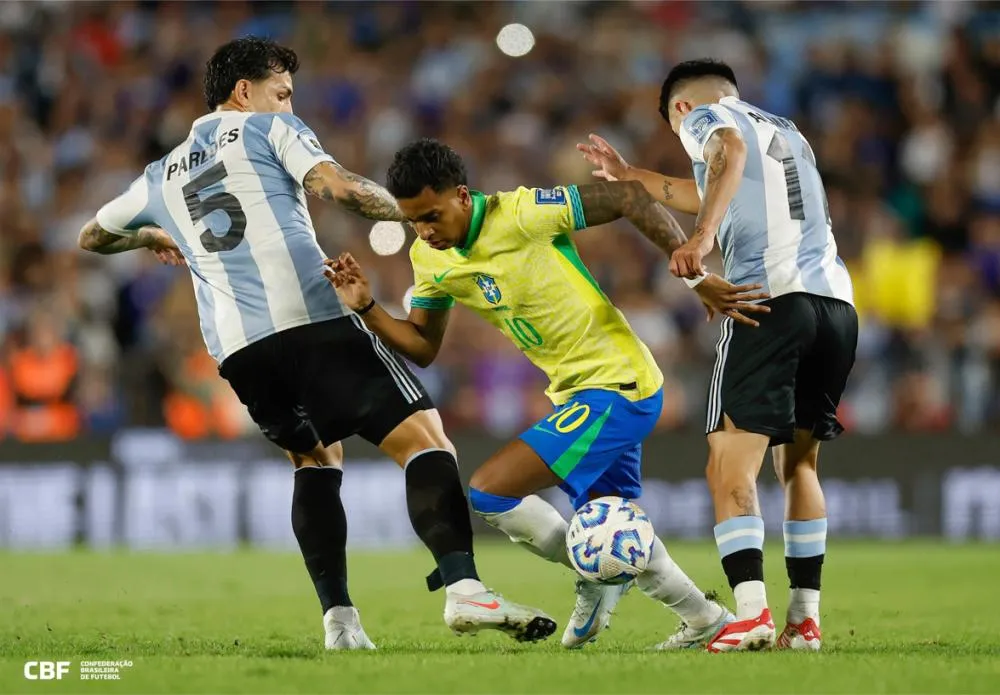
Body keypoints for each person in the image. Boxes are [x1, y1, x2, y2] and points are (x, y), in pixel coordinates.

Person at [77, 37, 555, 650]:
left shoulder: (158, 176)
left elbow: (92, 236)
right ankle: (464, 589)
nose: (288, 104)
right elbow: (340, 188)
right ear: (244, 92)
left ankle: (340, 622)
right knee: (425, 440)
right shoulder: (268, 129)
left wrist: (150, 237)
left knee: (315, 459)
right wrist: (425, 214)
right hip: (311, 317)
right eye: (281, 93)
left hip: (239, 349)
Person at [325, 137, 772, 650]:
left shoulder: (522, 213)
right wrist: (367, 308)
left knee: (491, 491)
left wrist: (695, 277)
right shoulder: (430, 257)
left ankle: (595, 576)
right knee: (608, 524)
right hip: (575, 395)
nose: (425, 231)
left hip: (617, 385)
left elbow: (629, 196)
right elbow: (423, 346)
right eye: (413, 222)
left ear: (462, 196)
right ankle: (704, 617)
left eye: (432, 216)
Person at [578, 59, 857, 652]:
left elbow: (725, 151)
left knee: (728, 460)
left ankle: (751, 614)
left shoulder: (707, 118)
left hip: (768, 302)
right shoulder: (786, 129)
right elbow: (708, 182)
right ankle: (803, 622)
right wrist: (630, 175)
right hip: (835, 308)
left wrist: (702, 237)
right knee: (800, 465)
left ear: (681, 108)